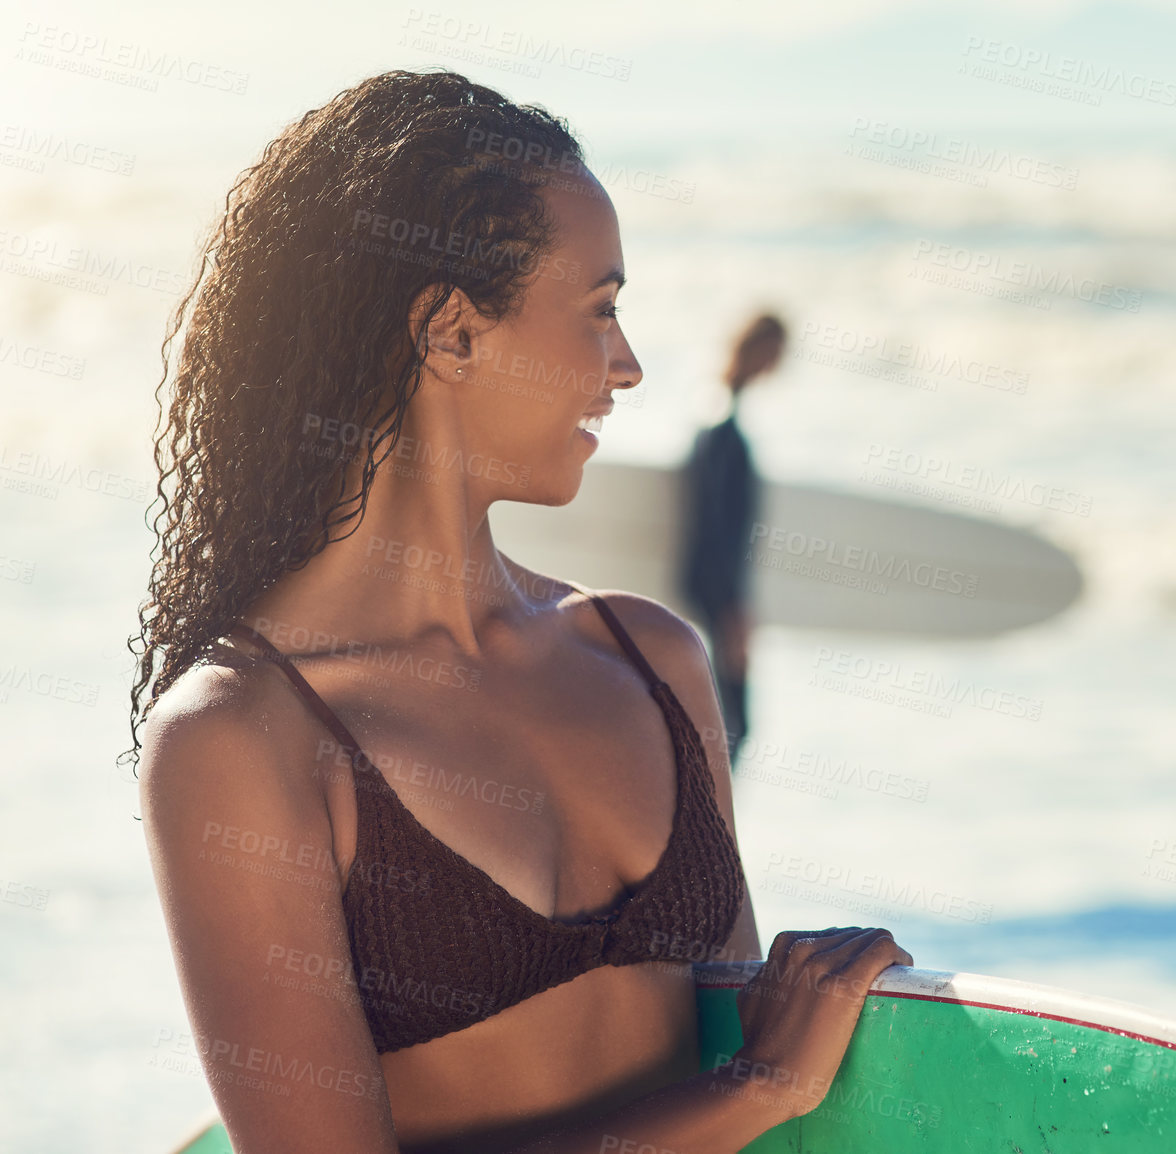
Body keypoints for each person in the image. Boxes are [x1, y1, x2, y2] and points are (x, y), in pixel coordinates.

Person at [128, 70, 909, 1154]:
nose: (627, 365)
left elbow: (740, 1063)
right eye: (601, 310)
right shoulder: (245, 736)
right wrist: (754, 1087)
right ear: (449, 332)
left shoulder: (652, 660)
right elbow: (742, 1091)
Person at [677, 314, 785, 763]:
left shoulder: (714, 411)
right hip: (715, 589)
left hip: (711, 585)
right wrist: (732, 609)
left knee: (727, 724)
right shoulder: (723, 424)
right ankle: (710, 826)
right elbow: (717, 523)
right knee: (732, 725)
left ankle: (708, 823)